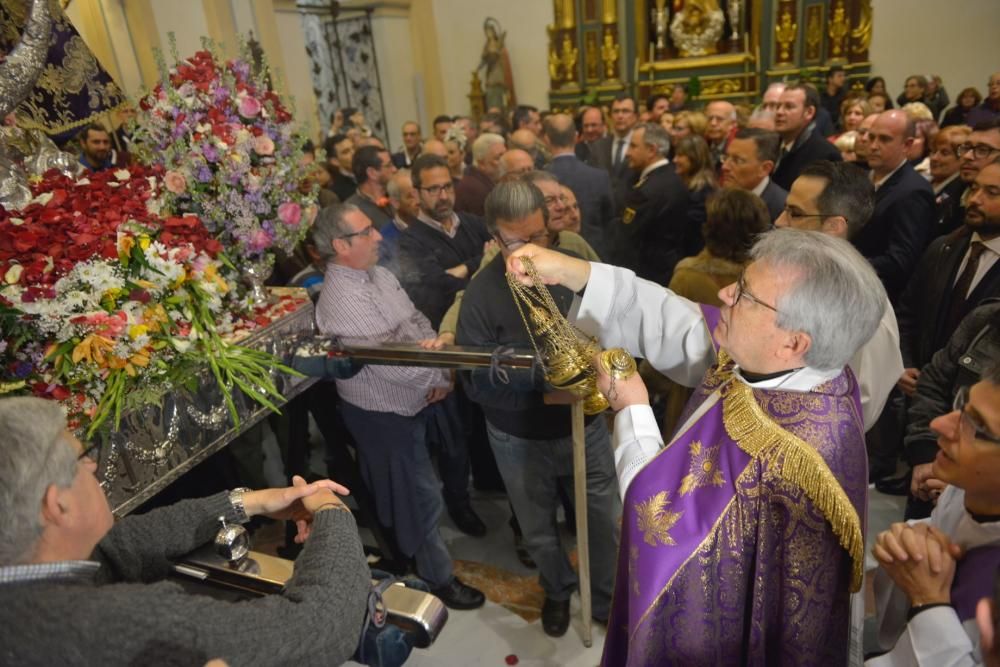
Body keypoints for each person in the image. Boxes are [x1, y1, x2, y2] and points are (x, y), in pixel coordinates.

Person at [506, 228, 885, 665]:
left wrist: (631, 408)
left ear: (795, 342)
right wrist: (574, 272)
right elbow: (680, 323)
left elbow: (664, 534)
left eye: (745, 294)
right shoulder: (800, 366)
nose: (724, 293)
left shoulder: (789, 451)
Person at [0, 396, 371, 665]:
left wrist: (249, 503)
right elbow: (321, 626)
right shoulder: (120, 624)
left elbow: (117, 547)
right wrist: (331, 510)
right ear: (57, 506)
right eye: (82, 459)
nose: (94, 467)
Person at [455, 179, 620, 637]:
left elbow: (612, 326)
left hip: (583, 426)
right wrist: (542, 380)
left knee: (603, 521)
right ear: (493, 236)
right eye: (516, 241)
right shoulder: (482, 295)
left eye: (539, 237)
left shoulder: (573, 269)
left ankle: (606, 597)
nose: (530, 251)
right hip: (518, 436)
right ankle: (557, 588)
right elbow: (476, 384)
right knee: (539, 529)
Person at [314, 204, 486, 610]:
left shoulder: (380, 274)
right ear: (341, 245)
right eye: (367, 232)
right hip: (385, 412)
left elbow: (416, 323)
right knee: (418, 497)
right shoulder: (344, 299)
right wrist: (438, 378)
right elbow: (390, 364)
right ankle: (436, 577)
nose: (378, 238)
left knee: (431, 483)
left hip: (419, 394)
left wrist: (441, 368)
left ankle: (431, 554)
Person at [868, 365, 1000, 666]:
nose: (940, 424)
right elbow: (936, 532)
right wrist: (909, 542)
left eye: (976, 427)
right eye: (962, 405)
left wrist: (929, 601)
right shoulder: (961, 490)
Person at [774, 160, 904, 432]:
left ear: (834, 226)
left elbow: (858, 409)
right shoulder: (783, 275)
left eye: (794, 214)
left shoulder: (863, 307)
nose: (779, 222)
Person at [903, 300, 1000, 521]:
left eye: (980, 423)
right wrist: (927, 455)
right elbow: (933, 383)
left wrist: (964, 487)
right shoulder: (987, 320)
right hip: (935, 479)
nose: (941, 424)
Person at [398, 154, 492, 331]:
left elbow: (503, 259)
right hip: (448, 333)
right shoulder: (409, 242)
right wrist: (484, 262)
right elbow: (438, 293)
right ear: (416, 194)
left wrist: (464, 269)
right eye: (433, 189)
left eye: (447, 187)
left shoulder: (474, 223)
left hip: (489, 321)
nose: (443, 196)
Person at [852, 110, 935, 303]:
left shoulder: (913, 192)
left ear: (907, 145)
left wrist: (846, 264)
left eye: (884, 139)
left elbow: (901, 261)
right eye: (871, 137)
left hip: (880, 297)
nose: (873, 145)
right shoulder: (862, 177)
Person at [616, 122, 692, 285]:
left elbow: (628, 239)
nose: (627, 152)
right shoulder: (676, 177)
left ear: (651, 150)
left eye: (633, 146)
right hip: (670, 268)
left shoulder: (647, 190)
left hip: (649, 275)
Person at [543, 113, 614, 259]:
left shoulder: (539, 181)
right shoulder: (600, 177)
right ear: (576, 137)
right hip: (595, 255)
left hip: (554, 256)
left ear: (547, 140)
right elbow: (610, 221)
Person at [772, 84, 843, 190]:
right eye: (778, 106)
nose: (779, 112)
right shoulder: (771, 145)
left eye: (789, 106)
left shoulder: (826, 155)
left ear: (809, 112)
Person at [584, 94, 639, 211]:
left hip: (633, 212)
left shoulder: (641, 146)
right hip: (604, 214)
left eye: (625, 111)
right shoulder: (598, 147)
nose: (620, 116)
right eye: (616, 111)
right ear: (610, 116)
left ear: (635, 116)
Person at [720, 127, 787, 221]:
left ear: (765, 168)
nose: (725, 167)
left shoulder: (782, 211)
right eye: (726, 157)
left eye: (737, 160)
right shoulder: (721, 198)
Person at [672, 134, 718, 252]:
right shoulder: (686, 184)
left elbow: (690, 232)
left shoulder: (703, 191)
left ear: (695, 158)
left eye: (680, 155)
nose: (675, 160)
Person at [929, 125, 971, 237]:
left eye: (944, 153)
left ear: (963, 158)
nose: (934, 158)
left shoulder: (960, 193)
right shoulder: (928, 182)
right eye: (934, 151)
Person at [346, 145, 397, 231]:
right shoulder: (352, 211)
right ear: (372, 173)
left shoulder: (397, 196)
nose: (394, 169)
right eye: (389, 165)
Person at [455, 133, 505, 216]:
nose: (504, 162)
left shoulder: (480, 181)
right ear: (481, 163)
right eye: (498, 158)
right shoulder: (473, 189)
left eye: (505, 155)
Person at [325, 133, 358, 202]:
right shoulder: (335, 192)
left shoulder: (370, 170)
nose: (353, 153)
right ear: (335, 161)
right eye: (346, 152)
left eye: (354, 147)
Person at [703, 100, 736, 167]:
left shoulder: (739, 147)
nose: (713, 123)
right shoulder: (701, 145)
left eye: (719, 119)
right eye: (709, 118)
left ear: (732, 124)